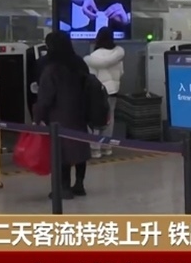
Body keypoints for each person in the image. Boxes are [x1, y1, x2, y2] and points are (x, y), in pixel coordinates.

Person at [33, 32, 92, 199]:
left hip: (59, 115)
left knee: (61, 152)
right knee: (79, 148)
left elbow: (45, 97)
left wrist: (38, 117)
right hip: (79, 112)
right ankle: (79, 184)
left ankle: (64, 188)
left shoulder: (51, 68)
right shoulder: (79, 63)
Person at [83, 27, 124, 158]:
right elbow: (121, 72)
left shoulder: (94, 57)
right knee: (109, 119)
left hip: (98, 92)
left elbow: (91, 77)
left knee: (95, 120)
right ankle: (107, 147)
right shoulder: (117, 55)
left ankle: (95, 149)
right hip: (113, 91)